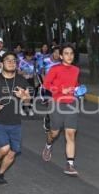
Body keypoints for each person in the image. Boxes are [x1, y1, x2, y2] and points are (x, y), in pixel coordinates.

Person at [0, 51, 31, 185]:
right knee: (4, 149)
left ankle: (0, 173)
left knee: (13, 152)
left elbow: (27, 101)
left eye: (14, 61)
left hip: (15, 123)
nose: (11, 62)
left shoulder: (21, 80)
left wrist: (25, 98)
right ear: (2, 63)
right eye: (8, 60)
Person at [41, 43, 81, 176]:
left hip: (71, 104)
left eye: (71, 53)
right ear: (62, 56)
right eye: (66, 53)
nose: (69, 56)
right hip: (57, 103)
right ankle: (48, 145)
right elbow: (46, 84)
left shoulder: (76, 69)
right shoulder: (55, 69)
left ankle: (70, 164)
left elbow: (75, 84)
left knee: (70, 134)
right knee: (54, 133)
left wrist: (79, 90)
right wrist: (59, 89)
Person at [41, 47, 61, 133]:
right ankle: (48, 120)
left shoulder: (61, 63)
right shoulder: (45, 60)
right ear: (52, 53)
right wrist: (45, 82)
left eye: (59, 53)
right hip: (48, 86)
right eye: (55, 52)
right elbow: (41, 72)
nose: (57, 54)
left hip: (58, 87)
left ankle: (50, 118)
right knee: (50, 105)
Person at [17, 48, 36, 116]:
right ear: (25, 55)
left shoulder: (33, 62)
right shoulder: (21, 62)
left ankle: (30, 109)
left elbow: (35, 72)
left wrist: (34, 76)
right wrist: (22, 72)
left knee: (31, 96)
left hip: (31, 81)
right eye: (28, 55)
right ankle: (22, 109)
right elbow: (18, 72)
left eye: (31, 56)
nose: (29, 57)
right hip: (23, 80)